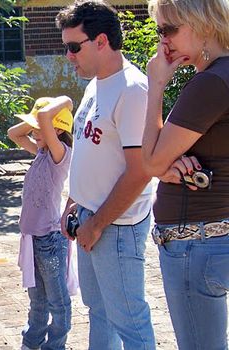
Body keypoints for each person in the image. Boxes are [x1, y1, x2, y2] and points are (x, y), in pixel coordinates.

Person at [56, 1, 156, 349]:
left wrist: (96, 223)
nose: (68, 55)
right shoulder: (96, 84)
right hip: (91, 217)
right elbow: (90, 150)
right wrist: (74, 201)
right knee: (99, 313)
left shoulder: (132, 89)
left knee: (129, 321)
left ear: (101, 41)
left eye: (73, 46)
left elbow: (140, 171)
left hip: (115, 225)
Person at [141, 1, 229, 349]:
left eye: (168, 29)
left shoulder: (210, 83)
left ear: (201, 22)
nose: (163, 42)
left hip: (196, 245)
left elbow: (148, 163)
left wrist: (157, 85)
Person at [8, 96, 75, 350]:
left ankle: (54, 345)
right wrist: (36, 123)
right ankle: (32, 341)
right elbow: (14, 133)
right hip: (32, 239)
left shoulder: (60, 155)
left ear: (57, 130)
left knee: (58, 302)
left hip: (49, 239)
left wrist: (66, 101)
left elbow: (46, 118)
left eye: (39, 129)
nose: (34, 133)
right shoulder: (42, 152)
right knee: (37, 300)